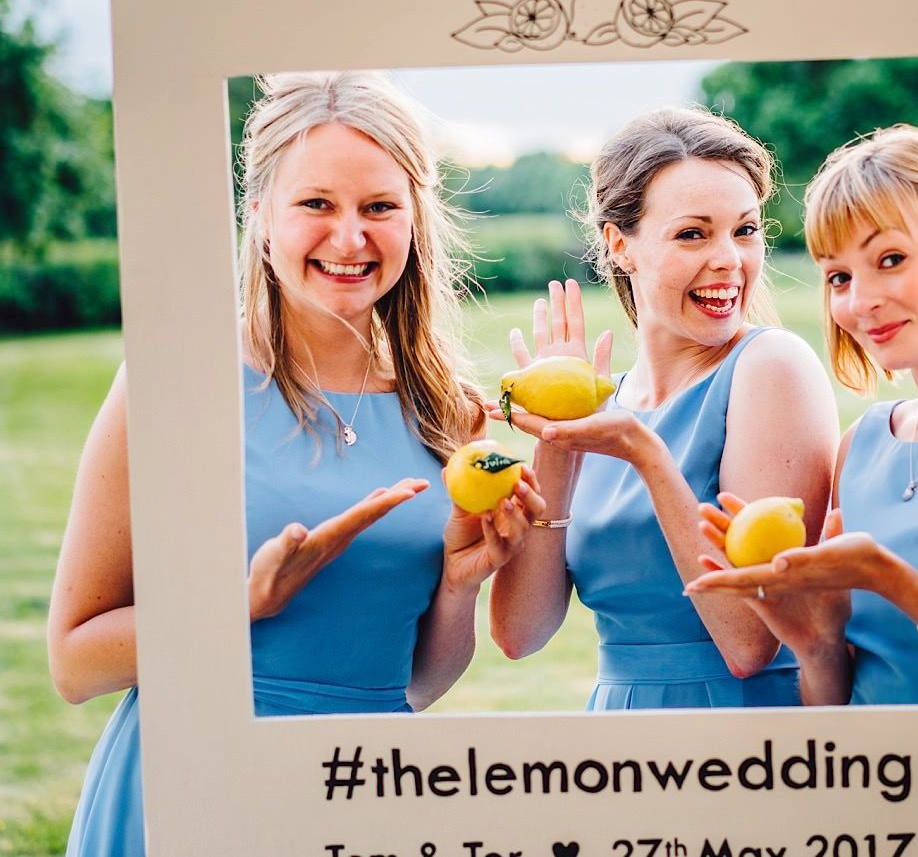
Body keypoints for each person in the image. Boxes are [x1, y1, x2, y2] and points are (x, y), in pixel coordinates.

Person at [48, 71, 544, 854]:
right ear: (259, 215)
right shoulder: (175, 381)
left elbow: (413, 685)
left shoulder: (449, 410)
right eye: (316, 203)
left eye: (378, 207)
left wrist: (460, 581)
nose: (349, 239)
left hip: (362, 797)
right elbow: (75, 661)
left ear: (415, 218)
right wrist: (240, 604)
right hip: (191, 791)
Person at [489, 107, 839, 709]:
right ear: (619, 245)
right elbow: (520, 634)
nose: (730, 258)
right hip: (620, 731)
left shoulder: (771, 367)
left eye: (745, 230)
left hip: (742, 730)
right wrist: (558, 440)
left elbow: (749, 643)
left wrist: (646, 455)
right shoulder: (610, 407)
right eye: (693, 234)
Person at [686, 126, 918, 706]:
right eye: (839, 276)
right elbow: (833, 711)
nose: (860, 301)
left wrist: (890, 579)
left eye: (890, 259)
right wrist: (816, 643)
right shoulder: (863, 446)